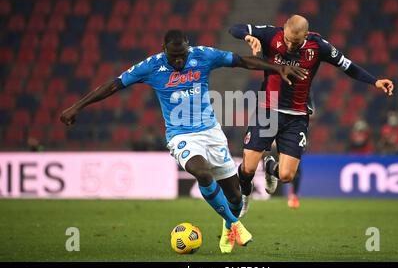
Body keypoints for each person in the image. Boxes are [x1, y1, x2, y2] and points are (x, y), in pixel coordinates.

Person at [60, 29, 306, 253]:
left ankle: (228, 220)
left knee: (234, 197)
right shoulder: (151, 67)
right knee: (202, 173)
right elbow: (113, 85)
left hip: (211, 133)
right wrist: (77, 107)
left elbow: (241, 61)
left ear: (188, 48)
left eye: (182, 56)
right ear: (164, 50)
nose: (179, 61)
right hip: (180, 136)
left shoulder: (203, 56)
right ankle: (235, 225)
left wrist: (278, 68)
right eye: (173, 57)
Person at [229, 14, 395, 217]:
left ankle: (271, 166)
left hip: (296, 116)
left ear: (306, 35)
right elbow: (235, 28)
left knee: (287, 175)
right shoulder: (271, 35)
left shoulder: (319, 46)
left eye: (296, 42)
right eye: (288, 39)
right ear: (284, 29)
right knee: (247, 169)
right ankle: (245, 198)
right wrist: (248, 37)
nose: (290, 45)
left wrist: (375, 81)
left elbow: (348, 66)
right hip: (267, 110)